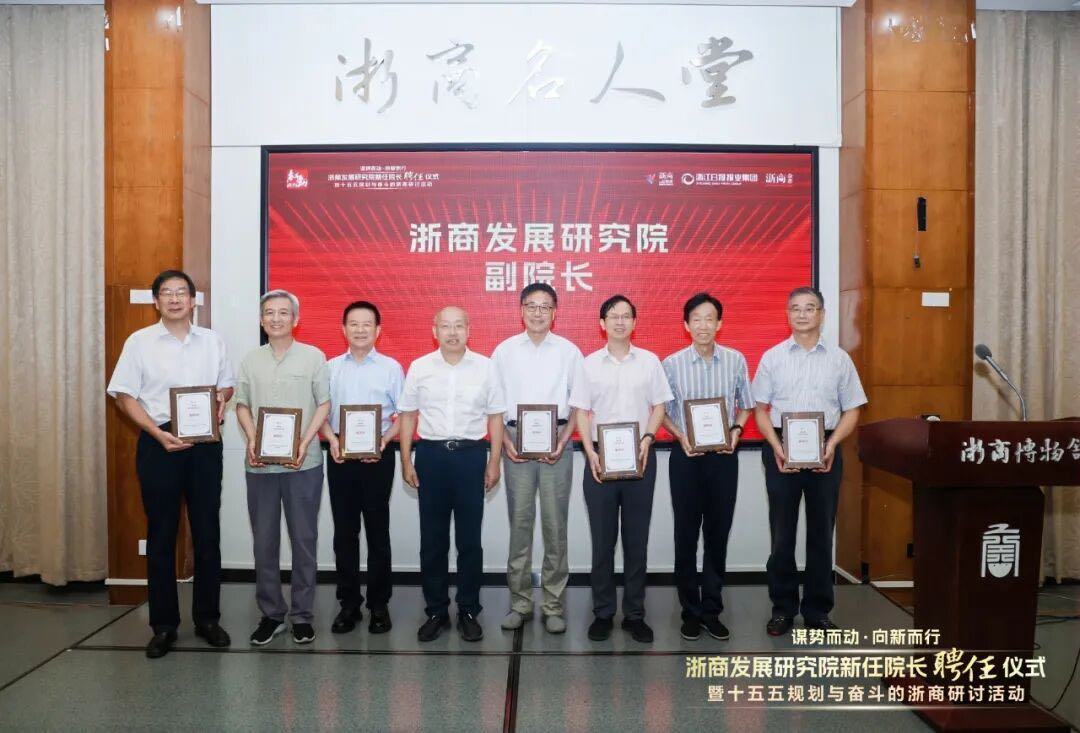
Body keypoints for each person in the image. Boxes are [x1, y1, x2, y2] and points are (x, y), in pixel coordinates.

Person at [107, 269, 234, 659]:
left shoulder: (212, 341)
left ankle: (207, 619)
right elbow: (123, 395)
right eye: (167, 293)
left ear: (193, 300)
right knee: (161, 535)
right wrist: (156, 433)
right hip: (158, 441)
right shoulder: (139, 342)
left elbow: (226, 384)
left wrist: (222, 399)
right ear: (156, 301)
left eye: (182, 292)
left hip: (204, 446)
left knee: (207, 532)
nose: (175, 298)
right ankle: (164, 626)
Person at [751, 286, 866, 636]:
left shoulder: (839, 359)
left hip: (825, 448)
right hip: (781, 448)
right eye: (796, 308)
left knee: (821, 532)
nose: (802, 314)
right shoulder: (773, 357)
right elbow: (760, 410)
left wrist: (831, 444)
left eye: (810, 308)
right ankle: (782, 609)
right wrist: (777, 446)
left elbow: (853, 409)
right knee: (782, 533)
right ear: (788, 314)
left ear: (822, 314)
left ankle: (817, 611)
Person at [569, 294, 673, 644]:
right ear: (602, 323)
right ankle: (602, 613)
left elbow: (659, 406)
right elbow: (581, 412)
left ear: (634, 322)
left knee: (636, 540)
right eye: (613, 316)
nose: (619, 321)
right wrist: (589, 451)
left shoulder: (649, 361)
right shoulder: (588, 364)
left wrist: (648, 438)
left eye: (626, 315)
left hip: (640, 456)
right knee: (602, 541)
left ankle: (634, 614)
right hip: (599, 459)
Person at [397, 306, 505, 642]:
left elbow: (496, 418)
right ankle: (436, 611)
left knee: (469, 541)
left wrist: (494, 461)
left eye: (459, 326)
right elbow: (408, 416)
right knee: (433, 540)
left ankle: (469, 610)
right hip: (431, 456)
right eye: (446, 326)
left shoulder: (486, 367)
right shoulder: (420, 367)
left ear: (469, 329)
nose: (453, 332)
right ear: (435, 330)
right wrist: (406, 461)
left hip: (471, 456)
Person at [235, 289, 331, 646]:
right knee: (264, 543)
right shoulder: (250, 361)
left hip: (304, 464)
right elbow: (242, 405)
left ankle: (302, 616)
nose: (276, 318)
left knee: (304, 541)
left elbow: (324, 404)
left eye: (283, 312)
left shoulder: (313, 357)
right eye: (269, 313)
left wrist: (304, 442)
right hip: (260, 466)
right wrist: (251, 438)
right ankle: (272, 614)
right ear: (262, 320)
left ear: (296, 319)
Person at [491, 283, 583, 634]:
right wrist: (505, 443)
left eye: (545, 307)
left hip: (557, 439)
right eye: (532, 306)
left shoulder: (569, 352)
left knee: (555, 525)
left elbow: (579, 404)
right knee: (520, 523)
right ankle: (520, 602)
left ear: (555, 312)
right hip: (515, 439)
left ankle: (554, 604)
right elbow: (494, 405)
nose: (538, 312)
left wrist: (564, 439)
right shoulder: (504, 351)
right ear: (521, 310)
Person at [662, 292, 753, 642]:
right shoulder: (671, 364)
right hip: (686, 457)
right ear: (686, 325)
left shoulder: (735, 360)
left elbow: (746, 405)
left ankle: (712, 610)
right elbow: (662, 412)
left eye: (709, 318)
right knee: (685, 534)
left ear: (719, 324)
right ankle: (690, 611)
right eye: (696, 319)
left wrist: (737, 430)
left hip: (723, 458)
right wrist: (681, 436)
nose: (703, 325)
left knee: (717, 534)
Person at [320, 301, 403, 635]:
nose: (360, 329)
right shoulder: (329, 368)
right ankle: (349, 604)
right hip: (340, 454)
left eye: (367, 324)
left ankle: (379, 604)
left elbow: (405, 415)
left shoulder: (391, 368)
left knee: (378, 531)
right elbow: (320, 412)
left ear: (378, 330)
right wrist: (331, 440)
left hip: (378, 455)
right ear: (343, 329)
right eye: (353, 324)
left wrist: (383, 441)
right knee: (345, 533)